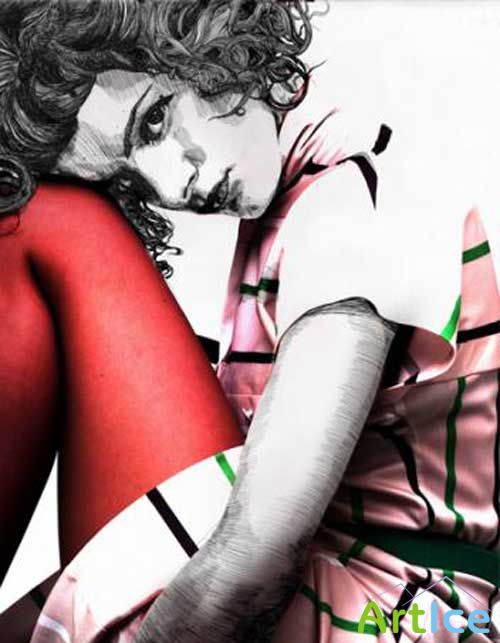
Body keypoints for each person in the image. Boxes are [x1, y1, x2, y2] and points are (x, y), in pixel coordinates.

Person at [0, 1, 498, 641]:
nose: (170, 187)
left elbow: (251, 567)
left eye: (154, 119)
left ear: (211, 45)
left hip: (385, 613)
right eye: (127, 177)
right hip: (347, 593)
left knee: (42, 223)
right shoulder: (295, 191)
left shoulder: (353, 204)